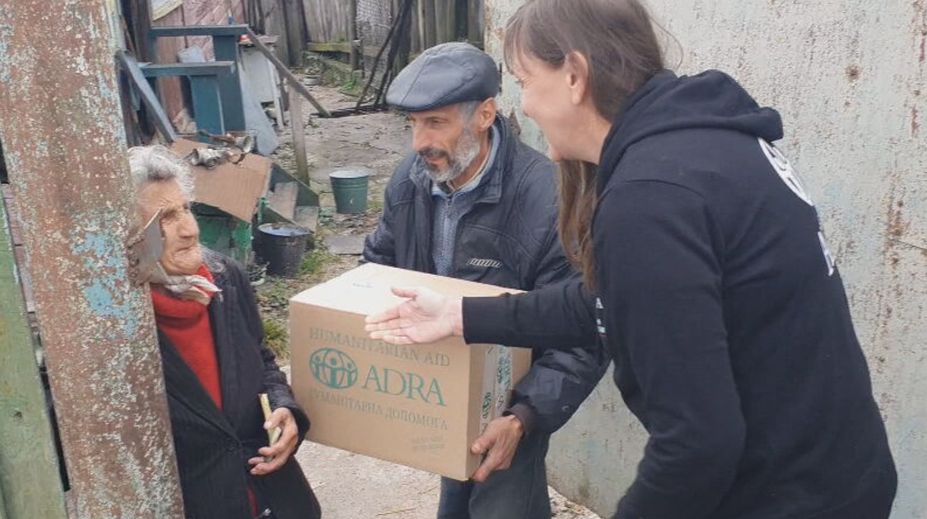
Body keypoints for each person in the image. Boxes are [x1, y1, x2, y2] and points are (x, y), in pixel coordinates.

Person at [365, 2, 898, 519]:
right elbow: (612, 300)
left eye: (526, 81)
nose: (523, 106)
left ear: (574, 75)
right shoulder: (706, 145)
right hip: (840, 468)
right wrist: (460, 317)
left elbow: (696, 444)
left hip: (785, 495)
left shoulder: (649, 200)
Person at [363, 42, 608, 519]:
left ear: (485, 115)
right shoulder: (411, 181)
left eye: (436, 123)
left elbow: (584, 328)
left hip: (513, 401)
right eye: (413, 124)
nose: (419, 143)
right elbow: (377, 268)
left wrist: (524, 417)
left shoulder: (548, 199)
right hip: (444, 393)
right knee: (456, 500)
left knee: (503, 505)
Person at [129, 146, 322, 519]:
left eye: (185, 208)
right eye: (164, 218)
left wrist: (284, 407)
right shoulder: (121, 322)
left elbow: (262, 359)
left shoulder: (225, 279)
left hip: (276, 499)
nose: (190, 229)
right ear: (130, 233)